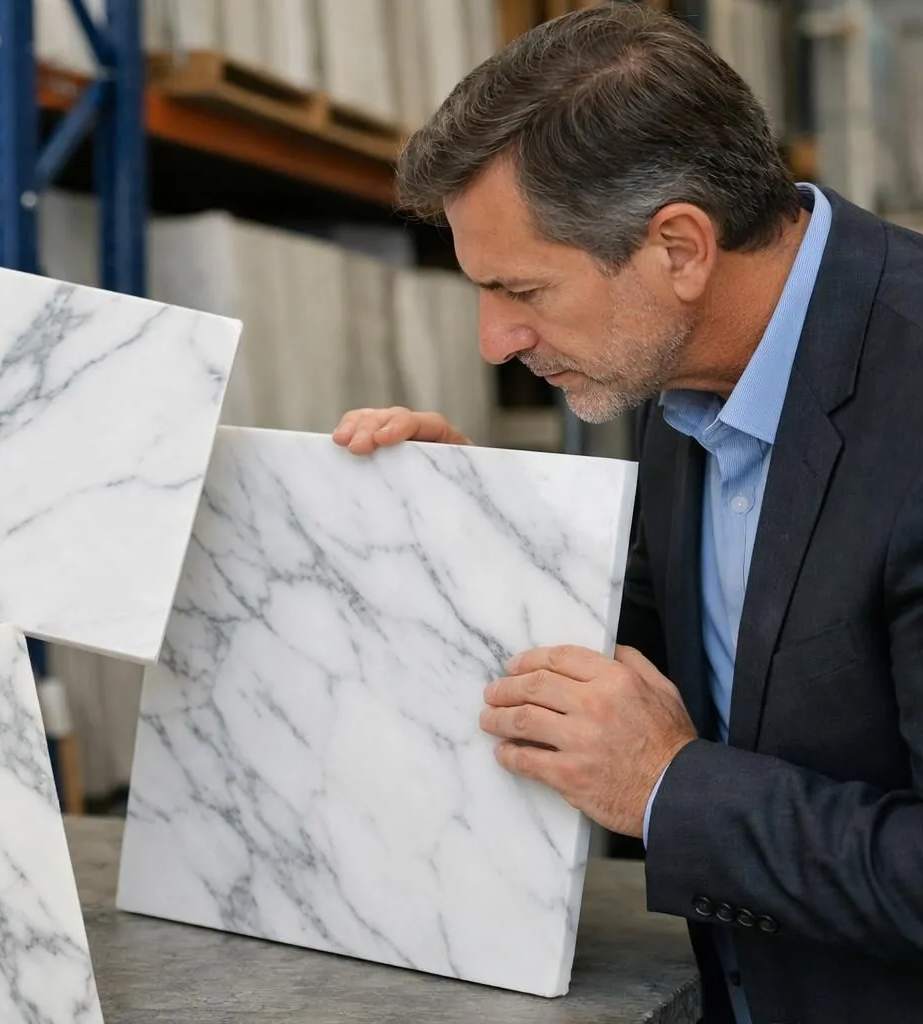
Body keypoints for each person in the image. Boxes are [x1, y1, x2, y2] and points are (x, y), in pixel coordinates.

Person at [335, 6, 923, 1023]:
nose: (493, 340)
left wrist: (665, 786)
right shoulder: (686, 367)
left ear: (680, 248)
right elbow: (671, 661)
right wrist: (479, 539)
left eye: (522, 289)